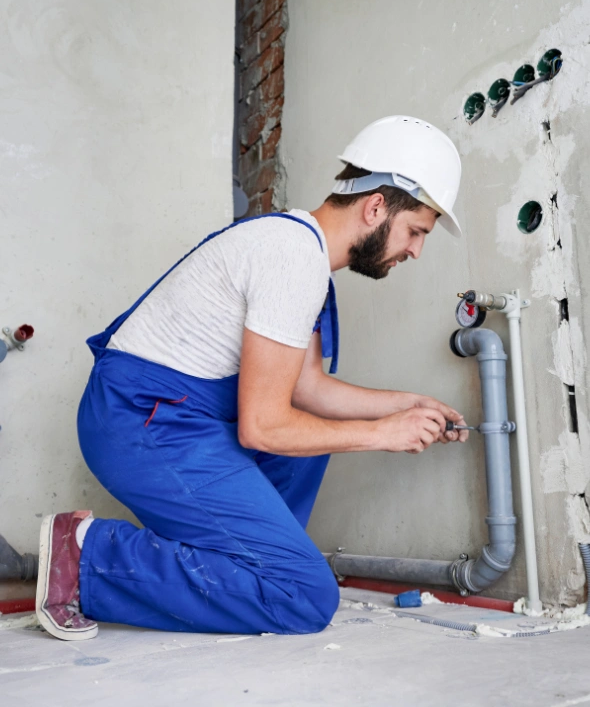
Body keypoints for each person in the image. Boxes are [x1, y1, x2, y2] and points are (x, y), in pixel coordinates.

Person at [35, 115, 469, 641]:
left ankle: (242, 562)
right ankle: (86, 556)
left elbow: (305, 389)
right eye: (416, 231)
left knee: (307, 443)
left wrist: (406, 406)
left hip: (167, 414)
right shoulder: (291, 260)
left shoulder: (299, 251)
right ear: (376, 207)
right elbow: (263, 427)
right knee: (304, 596)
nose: (416, 250)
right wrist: (383, 435)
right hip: (140, 421)